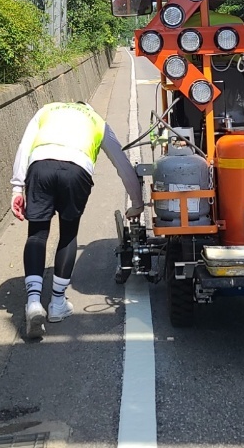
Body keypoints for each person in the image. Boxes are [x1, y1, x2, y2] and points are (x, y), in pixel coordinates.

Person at [11, 100, 144, 339]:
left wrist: (17, 188)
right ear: (88, 108)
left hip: (40, 166)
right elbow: (122, 163)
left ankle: (33, 302)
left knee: (37, 234)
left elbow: (24, 146)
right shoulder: (96, 120)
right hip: (76, 171)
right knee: (68, 234)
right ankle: (58, 303)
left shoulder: (47, 110)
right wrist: (136, 203)